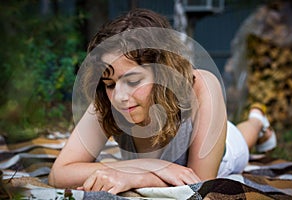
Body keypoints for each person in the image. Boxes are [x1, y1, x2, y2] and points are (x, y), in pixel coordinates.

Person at [48, 8, 276, 194]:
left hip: (225, 152)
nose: (119, 96)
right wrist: (153, 167)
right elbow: (59, 173)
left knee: (243, 138)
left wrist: (135, 178)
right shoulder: (109, 97)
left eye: (134, 80)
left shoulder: (202, 86)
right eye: (110, 84)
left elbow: (200, 184)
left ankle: (259, 120)